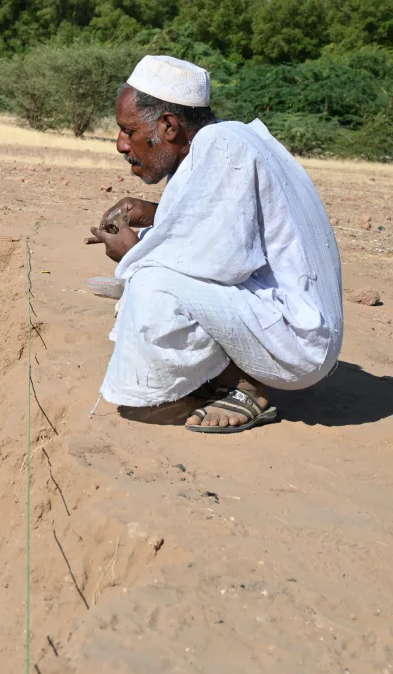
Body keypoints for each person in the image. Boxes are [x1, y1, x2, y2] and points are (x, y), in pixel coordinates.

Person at [87, 55, 343, 433]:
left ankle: (243, 386)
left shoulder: (220, 146)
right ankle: (218, 373)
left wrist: (132, 251)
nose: (121, 144)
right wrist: (155, 213)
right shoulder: (229, 137)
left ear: (168, 126)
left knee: (151, 280)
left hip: (298, 344)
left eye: (128, 130)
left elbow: (218, 262)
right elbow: (227, 225)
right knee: (151, 270)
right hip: (299, 327)